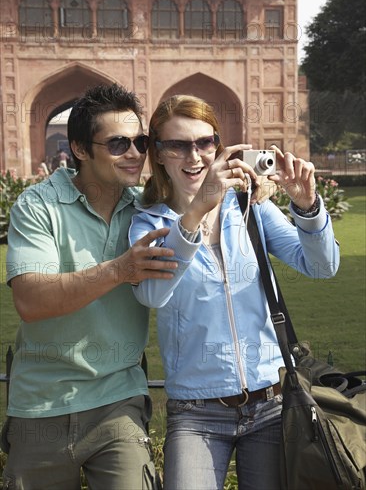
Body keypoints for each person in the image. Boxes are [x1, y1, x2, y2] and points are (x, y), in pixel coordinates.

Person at [129, 95, 340, 490]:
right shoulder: (149, 223)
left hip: (272, 402)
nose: (194, 156)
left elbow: (321, 265)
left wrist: (308, 206)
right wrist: (194, 214)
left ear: (217, 146)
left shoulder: (247, 207)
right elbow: (151, 295)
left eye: (204, 143)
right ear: (158, 154)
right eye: (178, 145)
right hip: (197, 411)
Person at [3, 83, 178, 490]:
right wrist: (120, 270)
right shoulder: (38, 206)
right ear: (81, 149)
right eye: (118, 143)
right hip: (42, 402)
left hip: (118, 398)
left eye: (140, 141)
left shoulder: (147, 209)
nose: (135, 154)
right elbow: (30, 300)